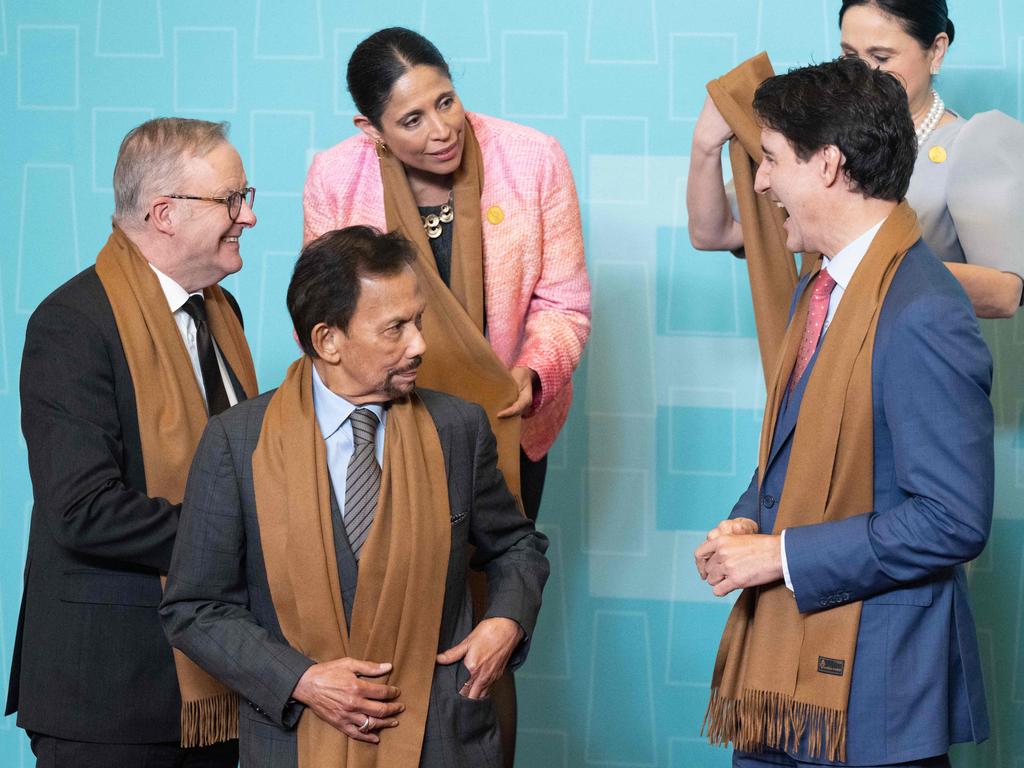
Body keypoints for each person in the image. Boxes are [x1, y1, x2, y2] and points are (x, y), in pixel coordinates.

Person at [694, 58, 993, 767]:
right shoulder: (822, 287)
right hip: (783, 681)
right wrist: (748, 517)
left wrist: (781, 554)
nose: (760, 182)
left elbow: (953, 518)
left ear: (827, 164)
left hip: (875, 692)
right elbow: (796, 451)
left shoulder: (924, 312)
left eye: (770, 160)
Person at [159, 225, 550, 768]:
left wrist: (505, 622)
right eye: (395, 329)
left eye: (419, 320)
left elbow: (516, 546)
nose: (420, 344)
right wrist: (301, 680)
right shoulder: (235, 441)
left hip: (443, 738)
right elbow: (195, 609)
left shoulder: (459, 428)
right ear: (327, 341)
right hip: (294, 743)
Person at [6, 118, 258, 766]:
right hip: (108, 697)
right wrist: (247, 541)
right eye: (232, 199)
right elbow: (82, 509)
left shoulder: (221, 315)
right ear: (164, 214)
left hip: (220, 676)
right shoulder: (72, 324)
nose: (248, 216)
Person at [303, 27, 590, 523]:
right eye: (412, 120)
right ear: (371, 129)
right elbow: (317, 312)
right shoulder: (335, 177)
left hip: (507, 417)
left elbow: (565, 303)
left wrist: (535, 371)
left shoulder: (533, 158)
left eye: (446, 102)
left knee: (504, 577)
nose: (441, 130)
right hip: (382, 423)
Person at [687, 0, 1024, 319]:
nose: (864, 72)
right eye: (850, 55)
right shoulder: (819, 138)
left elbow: (1005, 292)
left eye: (882, 56)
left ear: (936, 50)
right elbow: (713, 234)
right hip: (818, 355)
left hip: (909, 353)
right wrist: (705, 146)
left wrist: (863, 262)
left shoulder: (973, 142)